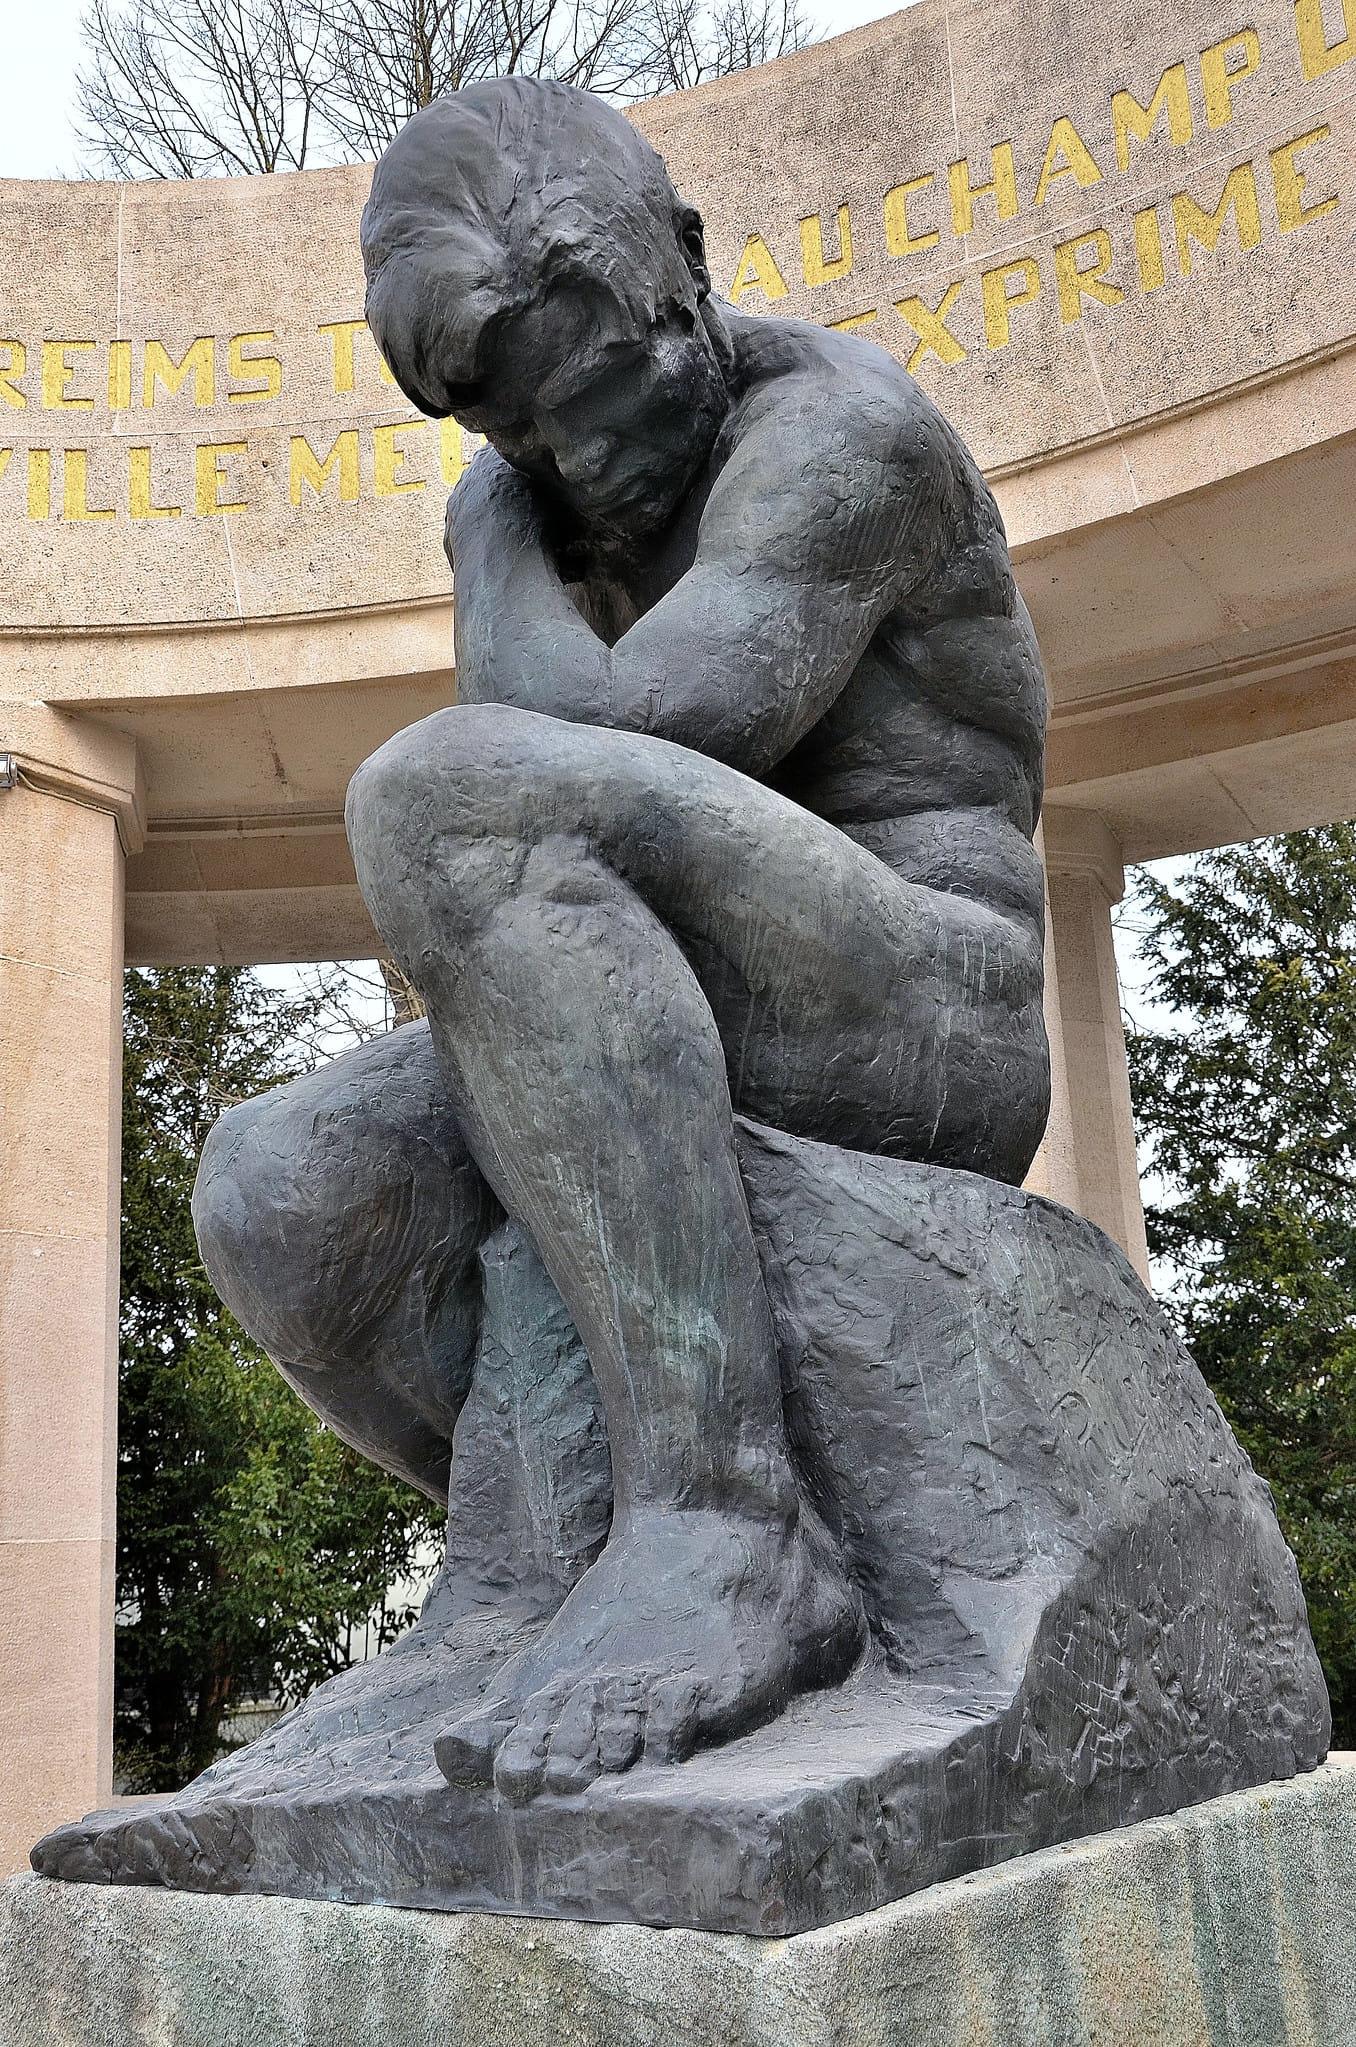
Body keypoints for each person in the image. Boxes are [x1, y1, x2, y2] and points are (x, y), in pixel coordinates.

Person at [201, 75, 1050, 1804]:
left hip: (929, 1007)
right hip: (718, 998)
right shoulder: (552, 499)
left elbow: (640, 742)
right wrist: (509, 512)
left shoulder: (842, 439)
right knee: (276, 1192)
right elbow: (544, 895)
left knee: (446, 794)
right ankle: (554, 1563)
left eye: (609, 394)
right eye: (525, 438)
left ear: (687, 261)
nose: (591, 461)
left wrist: (488, 536)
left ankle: (723, 1522)